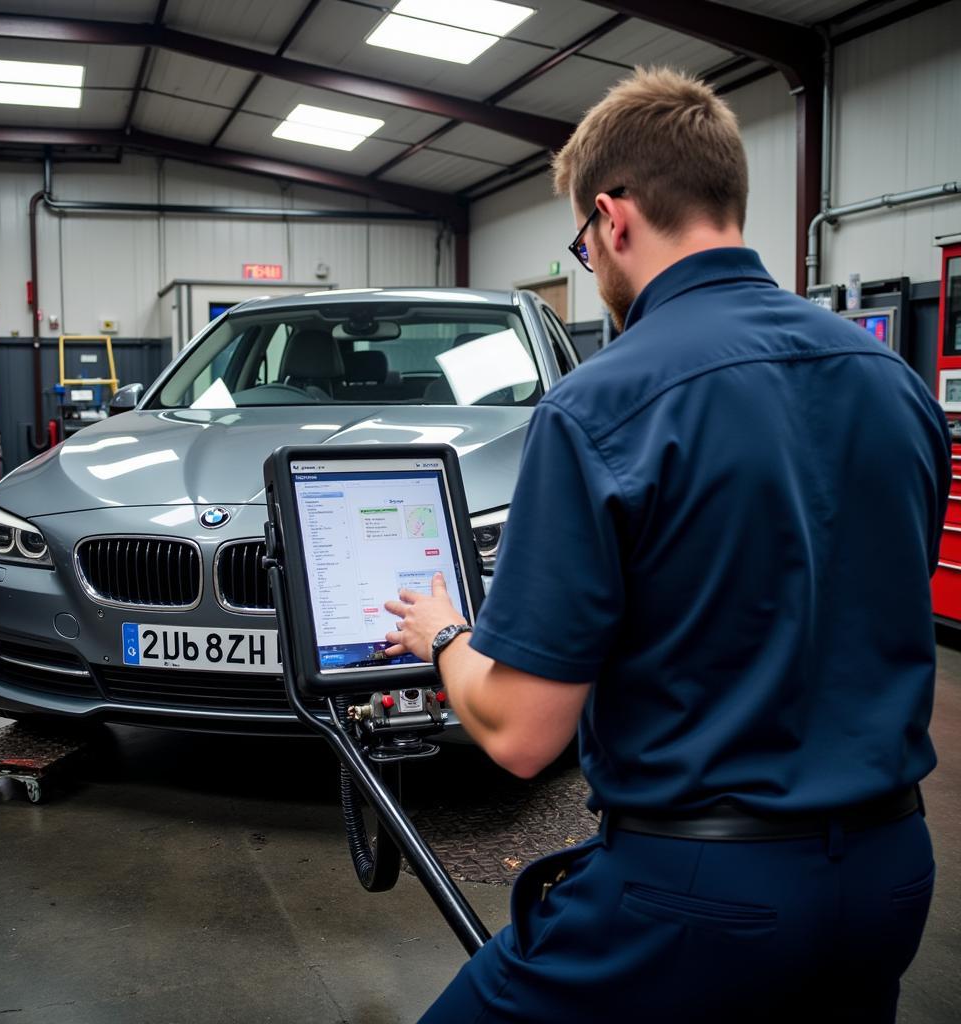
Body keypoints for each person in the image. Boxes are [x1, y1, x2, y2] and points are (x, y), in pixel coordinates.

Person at [383, 67, 949, 1023]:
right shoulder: (895, 384)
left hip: (695, 897)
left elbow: (524, 734)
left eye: (582, 241)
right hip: (889, 881)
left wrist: (444, 637)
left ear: (612, 218)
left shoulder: (600, 403)